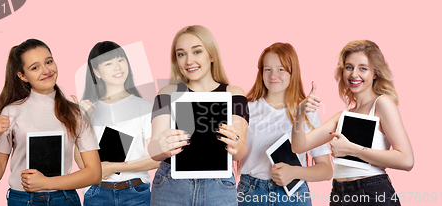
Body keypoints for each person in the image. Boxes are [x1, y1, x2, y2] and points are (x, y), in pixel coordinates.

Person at [291, 40, 414, 206]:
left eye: (363, 68)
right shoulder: (342, 116)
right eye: (349, 67)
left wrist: (353, 150)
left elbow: (406, 160)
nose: (354, 74)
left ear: (375, 73)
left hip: (372, 193)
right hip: (339, 194)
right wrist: (300, 114)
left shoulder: (382, 104)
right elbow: (299, 146)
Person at [0, 39, 101, 206]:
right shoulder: (11, 112)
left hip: (65, 199)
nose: (46, 70)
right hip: (23, 200)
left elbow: (94, 173)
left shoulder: (76, 113)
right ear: (22, 76)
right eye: (35, 67)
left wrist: (46, 183)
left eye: (49, 61)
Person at [148, 25, 249, 206]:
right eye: (181, 54)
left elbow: (240, 152)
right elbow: (154, 149)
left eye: (197, 52)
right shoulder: (168, 93)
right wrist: (161, 147)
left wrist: (236, 144)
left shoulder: (234, 94)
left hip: (218, 186)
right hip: (171, 185)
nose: (188, 61)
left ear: (211, 55)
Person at [237, 42, 333, 206]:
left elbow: (326, 170)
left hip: (293, 196)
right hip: (251, 193)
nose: (273, 75)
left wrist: (294, 172)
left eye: (281, 69)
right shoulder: (246, 108)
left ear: (292, 72)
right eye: (268, 69)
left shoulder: (306, 111)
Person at [73, 41, 159, 206]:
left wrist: (114, 167)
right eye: (109, 63)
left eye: (121, 60)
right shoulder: (89, 109)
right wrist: (83, 121)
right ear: (97, 72)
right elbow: (81, 163)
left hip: (135, 193)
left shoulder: (145, 107)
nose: (117, 67)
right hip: (97, 193)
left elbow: (158, 159)